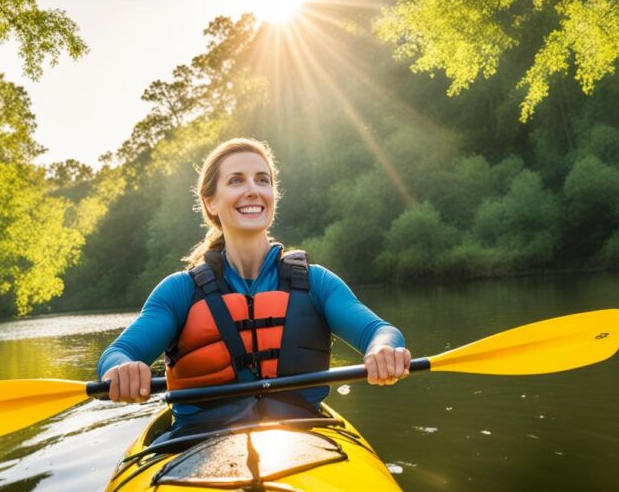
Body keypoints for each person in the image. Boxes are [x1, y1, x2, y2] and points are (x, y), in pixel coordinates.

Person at [97, 138, 410, 437]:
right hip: (198, 443)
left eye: (262, 180)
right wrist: (122, 370)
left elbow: (379, 331)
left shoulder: (316, 282)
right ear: (210, 202)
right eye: (236, 181)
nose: (253, 190)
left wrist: (382, 349)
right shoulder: (179, 291)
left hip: (302, 439)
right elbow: (118, 354)